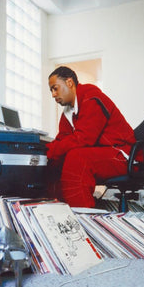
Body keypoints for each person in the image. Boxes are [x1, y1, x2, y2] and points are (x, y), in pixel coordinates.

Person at [46, 66, 136, 209]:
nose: (53, 94)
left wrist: (50, 150)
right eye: (51, 90)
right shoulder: (67, 113)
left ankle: (84, 216)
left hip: (124, 155)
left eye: (55, 88)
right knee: (54, 162)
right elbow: (61, 140)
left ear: (69, 83)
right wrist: (44, 153)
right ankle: (60, 212)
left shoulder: (92, 98)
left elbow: (84, 138)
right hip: (106, 153)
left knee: (77, 158)